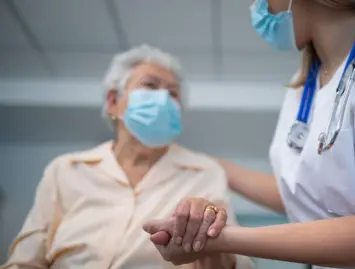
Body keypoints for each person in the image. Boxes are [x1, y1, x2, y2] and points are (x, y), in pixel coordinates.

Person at [143, 0, 355, 268]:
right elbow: (301, 194)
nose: (258, 8)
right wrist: (209, 162)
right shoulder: (302, 87)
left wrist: (223, 239)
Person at [2, 45, 253, 269]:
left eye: (173, 94)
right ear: (113, 102)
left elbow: (235, 263)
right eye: (150, 85)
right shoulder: (66, 170)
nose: (163, 99)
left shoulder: (204, 173)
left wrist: (212, 241)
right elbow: (26, 260)